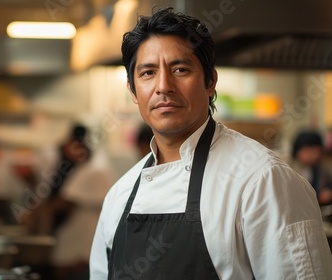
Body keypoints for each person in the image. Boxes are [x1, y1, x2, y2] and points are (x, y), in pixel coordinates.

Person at [89, 7, 332, 279]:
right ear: (133, 91)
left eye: (180, 69)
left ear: (210, 81)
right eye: (147, 73)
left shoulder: (262, 180)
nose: (163, 86)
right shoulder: (118, 198)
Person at [27, 123, 115, 280]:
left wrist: (35, 216)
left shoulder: (95, 168)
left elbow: (64, 202)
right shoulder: (81, 162)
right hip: (74, 243)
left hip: (82, 247)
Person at [289, 130, 332, 205]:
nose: (319, 155)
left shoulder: (317, 166)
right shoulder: (290, 168)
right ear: (306, 150)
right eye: (318, 151)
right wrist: (318, 198)